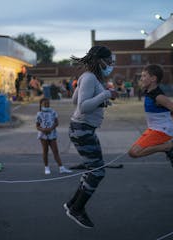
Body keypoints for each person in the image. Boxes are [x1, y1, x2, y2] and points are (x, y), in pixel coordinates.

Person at [63, 45, 118, 228]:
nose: (111, 65)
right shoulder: (89, 78)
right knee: (97, 172)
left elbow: (74, 100)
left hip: (83, 129)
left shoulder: (87, 77)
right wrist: (106, 94)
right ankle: (76, 209)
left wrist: (102, 101)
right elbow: (82, 107)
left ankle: (72, 204)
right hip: (82, 130)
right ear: (99, 60)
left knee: (92, 170)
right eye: (109, 62)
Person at [36, 98, 72, 175]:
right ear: (41, 105)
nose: (46, 105)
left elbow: (56, 123)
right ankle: (46, 167)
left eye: (48, 103)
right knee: (45, 151)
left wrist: (51, 128)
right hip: (43, 135)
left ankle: (61, 168)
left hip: (52, 134)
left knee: (55, 151)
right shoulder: (39, 114)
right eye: (45, 104)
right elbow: (37, 126)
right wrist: (43, 130)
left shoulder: (53, 112)